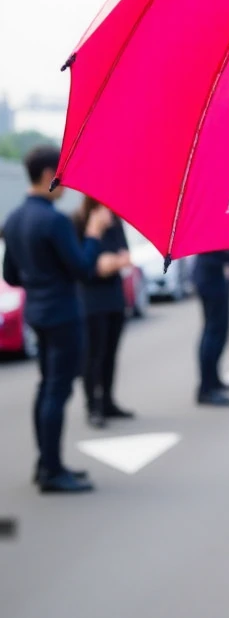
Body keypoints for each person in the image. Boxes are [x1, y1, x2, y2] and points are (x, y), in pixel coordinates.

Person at [1, 144, 120, 492]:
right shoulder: (53, 220)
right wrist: (95, 234)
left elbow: (10, 275)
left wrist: (40, 282)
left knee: (46, 387)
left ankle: (46, 463)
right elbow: (83, 268)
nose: (64, 183)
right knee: (57, 389)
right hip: (64, 314)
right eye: (61, 175)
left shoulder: (15, 218)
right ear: (45, 175)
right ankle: (52, 471)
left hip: (37, 312)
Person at [72, 195, 135, 427]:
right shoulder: (78, 223)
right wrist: (96, 233)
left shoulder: (116, 224)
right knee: (93, 357)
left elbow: (125, 258)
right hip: (90, 302)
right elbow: (88, 268)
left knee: (110, 354)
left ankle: (108, 401)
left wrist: (111, 263)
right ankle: (93, 406)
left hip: (115, 300)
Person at [193, 249, 229, 406]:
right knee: (212, 333)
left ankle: (213, 381)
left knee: (219, 332)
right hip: (211, 277)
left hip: (215, 276)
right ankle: (206, 389)